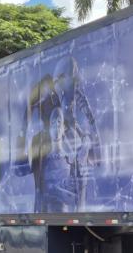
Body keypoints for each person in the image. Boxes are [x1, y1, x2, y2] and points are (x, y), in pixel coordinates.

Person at [13, 57, 102, 213]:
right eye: (72, 75)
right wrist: (24, 121)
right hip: (46, 213)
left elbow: (97, 160)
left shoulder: (79, 135)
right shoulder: (42, 140)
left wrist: (91, 118)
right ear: (59, 81)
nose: (77, 80)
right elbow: (20, 170)